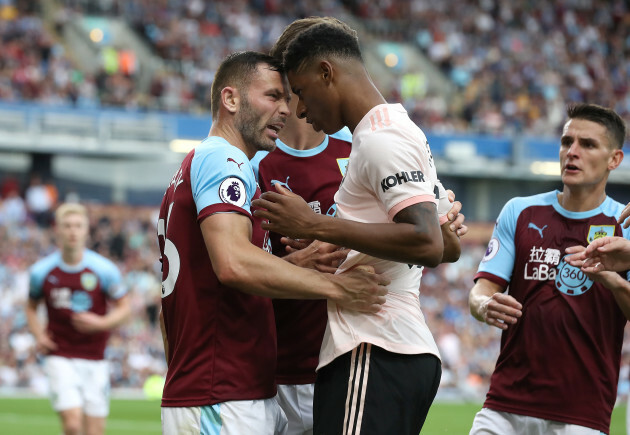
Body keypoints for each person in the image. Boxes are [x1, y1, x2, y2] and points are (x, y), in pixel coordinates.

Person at [156, 51, 389, 435]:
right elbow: (232, 263)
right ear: (230, 100)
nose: (286, 109)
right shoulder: (223, 159)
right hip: (220, 392)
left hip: (230, 388)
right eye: (272, 96)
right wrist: (339, 287)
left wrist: (298, 265)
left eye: (288, 98)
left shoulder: (207, 165)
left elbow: (216, 277)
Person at [255, 17, 468, 435]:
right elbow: (447, 245)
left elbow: (426, 243)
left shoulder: (379, 141)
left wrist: (316, 224)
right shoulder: (400, 131)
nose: (299, 108)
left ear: (326, 73)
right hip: (384, 348)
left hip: (375, 345)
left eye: (300, 92)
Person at [468, 103, 630, 435]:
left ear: (614, 159)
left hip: (581, 413)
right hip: (505, 404)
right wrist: (484, 305)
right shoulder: (520, 211)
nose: (572, 152)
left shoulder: (624, 225)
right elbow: (482, 291)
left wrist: (613, 282)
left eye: (587, 144)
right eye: (566, 141)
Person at [25, 202, 130, 435]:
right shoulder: (41, 271)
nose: (72, 231)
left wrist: (101, 323)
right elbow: (31, 307)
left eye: (78, 226)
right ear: (57, 230)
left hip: (95, 357)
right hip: (59, 354)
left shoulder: (104, 270)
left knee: (94, 432)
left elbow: (125, 308)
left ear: (86, 231)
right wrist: (39, 335)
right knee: (73, 425)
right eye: (67, 226)